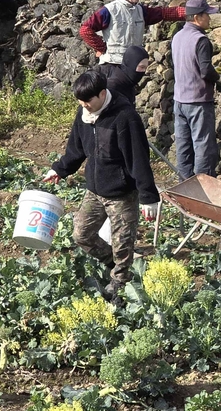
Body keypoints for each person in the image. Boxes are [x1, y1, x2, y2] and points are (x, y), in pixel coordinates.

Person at [45, 69, 160, 301]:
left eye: (88, 100)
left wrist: (148, 196)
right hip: (95, 190)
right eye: (80, 101)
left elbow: (139, 158)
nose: (84, 105)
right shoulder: (85, 114)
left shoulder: (125, 117)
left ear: (102, 93)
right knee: (81, 234)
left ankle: (119, 287)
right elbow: (75, 149)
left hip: (122, 194)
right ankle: (114, 264)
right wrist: (59, 169)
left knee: (123, 244)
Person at [79, 0, 185, 78]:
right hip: (112, 66)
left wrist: (188, 12)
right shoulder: (109, 10)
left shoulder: (140, 11)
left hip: (131, 66)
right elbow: (85, 30)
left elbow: (164, 13)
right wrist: (102, 48)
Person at [172, 0, 221, 179]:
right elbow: (205, 69)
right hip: (198, 101)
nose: (209, 18)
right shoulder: (200, 40)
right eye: (206, 14)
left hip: (179, 100)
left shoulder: (177, 37)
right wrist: (218, 79)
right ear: (197, 17)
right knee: (202, 146)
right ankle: (203, 188)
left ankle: (183, 187)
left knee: (183, 145)